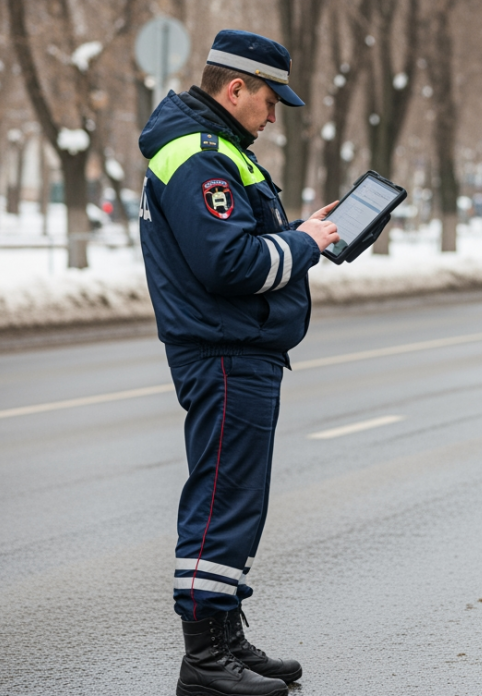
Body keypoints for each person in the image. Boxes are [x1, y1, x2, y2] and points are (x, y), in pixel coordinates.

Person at [137, 29, 341, 696]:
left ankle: (224, 639)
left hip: (240, 348)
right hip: (224, 349)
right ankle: (204, 659)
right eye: (270, 100)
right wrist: (304, 245)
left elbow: (242, 241)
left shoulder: (219, 151)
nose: (274, 114)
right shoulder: (199, 155)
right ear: (235, 88)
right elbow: (228, 264)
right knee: (222, 500)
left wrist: (300, 234)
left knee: (238, 500)